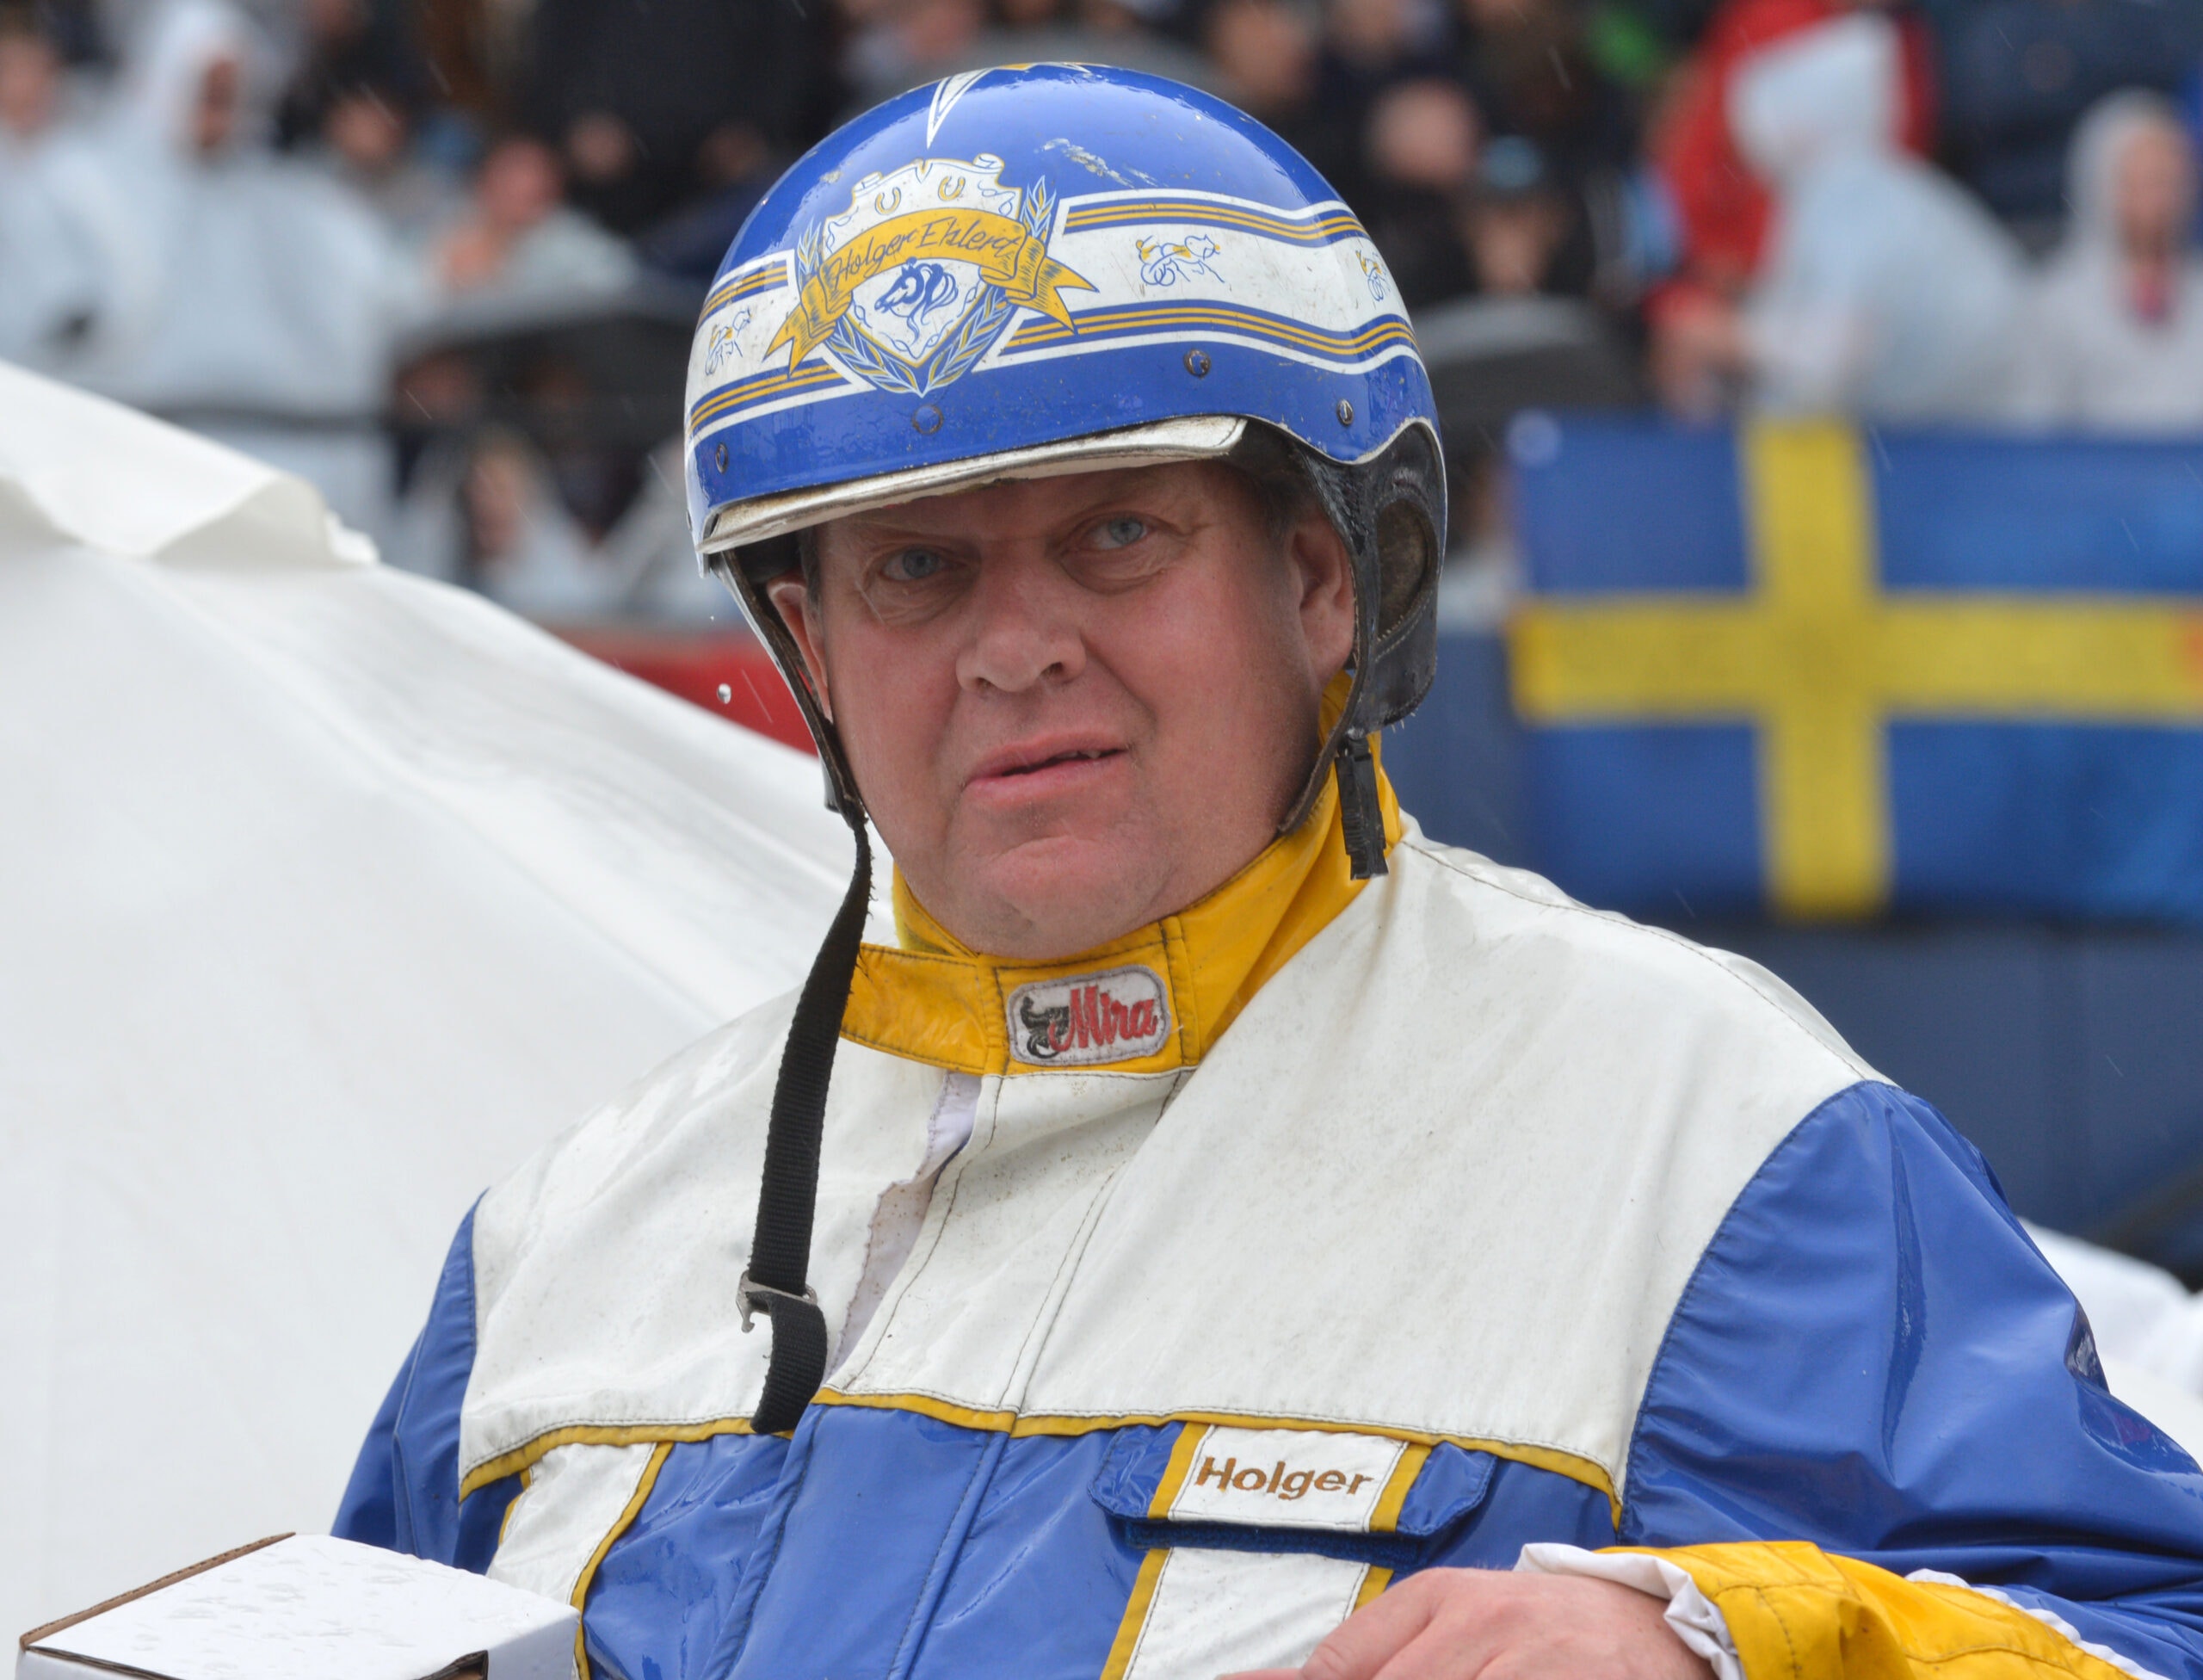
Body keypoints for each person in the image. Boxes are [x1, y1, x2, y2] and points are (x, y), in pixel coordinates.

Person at [336, 63, 2203, 1680]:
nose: (1014, 649)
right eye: (915, 569)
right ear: (812, 653)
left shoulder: (1712, 1141)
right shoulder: (557, 1245)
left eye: (1116, 536)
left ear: (1325, 582)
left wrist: (1716, 1640)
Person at [34, 0, 418, 538]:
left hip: (269, 447)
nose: (217, 110)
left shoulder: (289, 202)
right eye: (206, 90)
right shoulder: (81, 185)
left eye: (230, 94)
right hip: (136, 446)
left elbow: (375, 289)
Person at [1657, 13, 2023, 420]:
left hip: (2002, 434)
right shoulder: (1838, 196)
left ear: (1798, 127)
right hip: (1955, 432)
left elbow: (1834, 356)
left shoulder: (1855, 201)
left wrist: (1726, 337)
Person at [2013, 90, 2203, 434]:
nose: (2159, 201)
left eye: (2168, 180)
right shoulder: (2057, 304)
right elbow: (2034, 427)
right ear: (2100, 184)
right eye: (2142, 182)